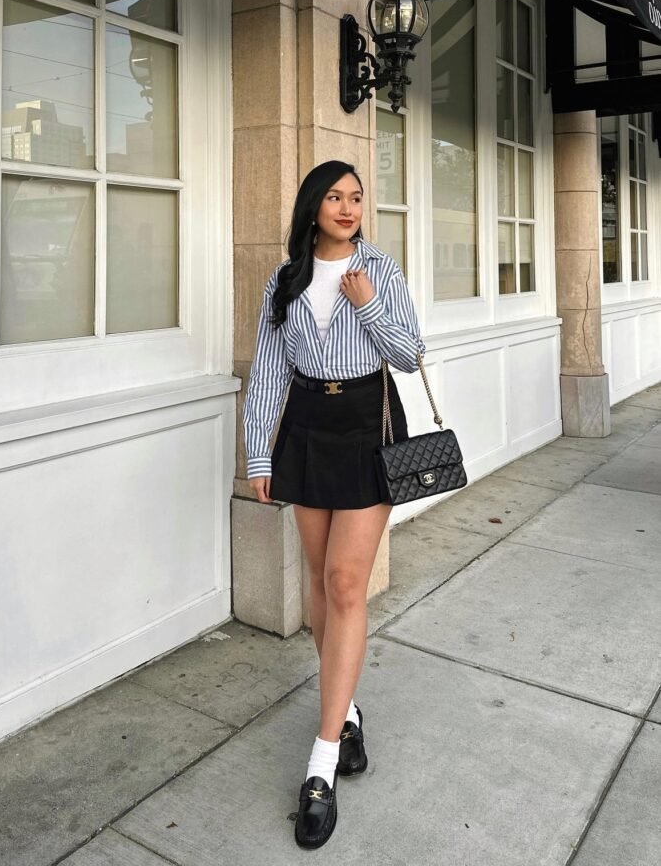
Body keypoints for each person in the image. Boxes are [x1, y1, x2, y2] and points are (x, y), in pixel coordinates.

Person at [242, 159, 426, 850]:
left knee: (347, 582)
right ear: (312, 207)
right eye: (334, 197)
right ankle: (345, 715)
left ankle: (320, 766)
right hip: (306, 427)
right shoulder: (285, 278)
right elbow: (268, 369)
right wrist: (259, 453)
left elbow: (409, 353)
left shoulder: (380, 269)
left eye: (355, 197)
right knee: (321, 585)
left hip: (367, 422)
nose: (347, 208)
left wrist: (367, 304)